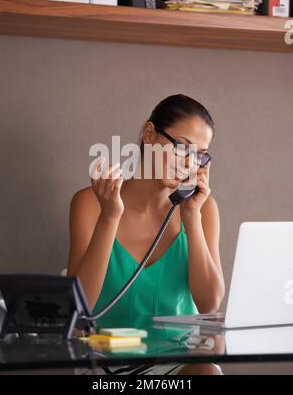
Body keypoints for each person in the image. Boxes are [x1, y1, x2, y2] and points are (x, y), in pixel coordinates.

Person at [68, 94, 225, 375]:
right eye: (182, 147)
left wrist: (191, 216)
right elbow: (80, 308)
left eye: (199, 155)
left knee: (208, 371)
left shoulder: (204, 209)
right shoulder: (89, 203)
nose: (189, 163)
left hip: (176, 363)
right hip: (106, 364)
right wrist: (110, 216)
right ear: (150, 134)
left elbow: (210, 304)